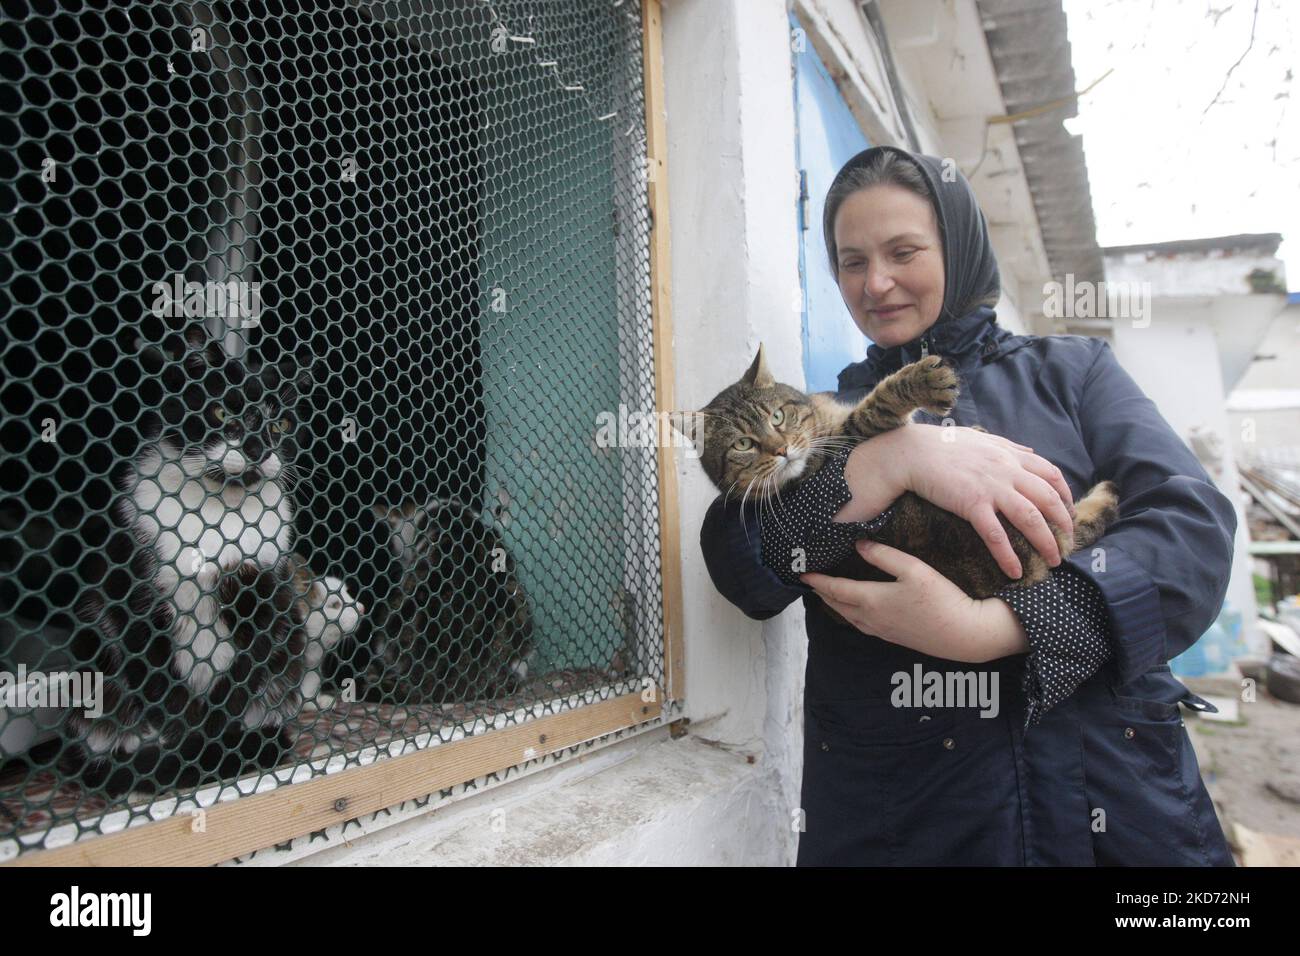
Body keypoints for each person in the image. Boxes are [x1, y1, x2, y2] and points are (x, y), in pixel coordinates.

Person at [699, 145, 1237, 866]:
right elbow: (746, 565)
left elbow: (1191, 528)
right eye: (851, 261)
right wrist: (887, 460)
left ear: (957, 244)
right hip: (907, 817)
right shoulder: (823, 421)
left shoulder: (1071, 374)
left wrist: (1000, 626)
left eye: (902, 251)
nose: (877, 282)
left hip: (1110, 798)